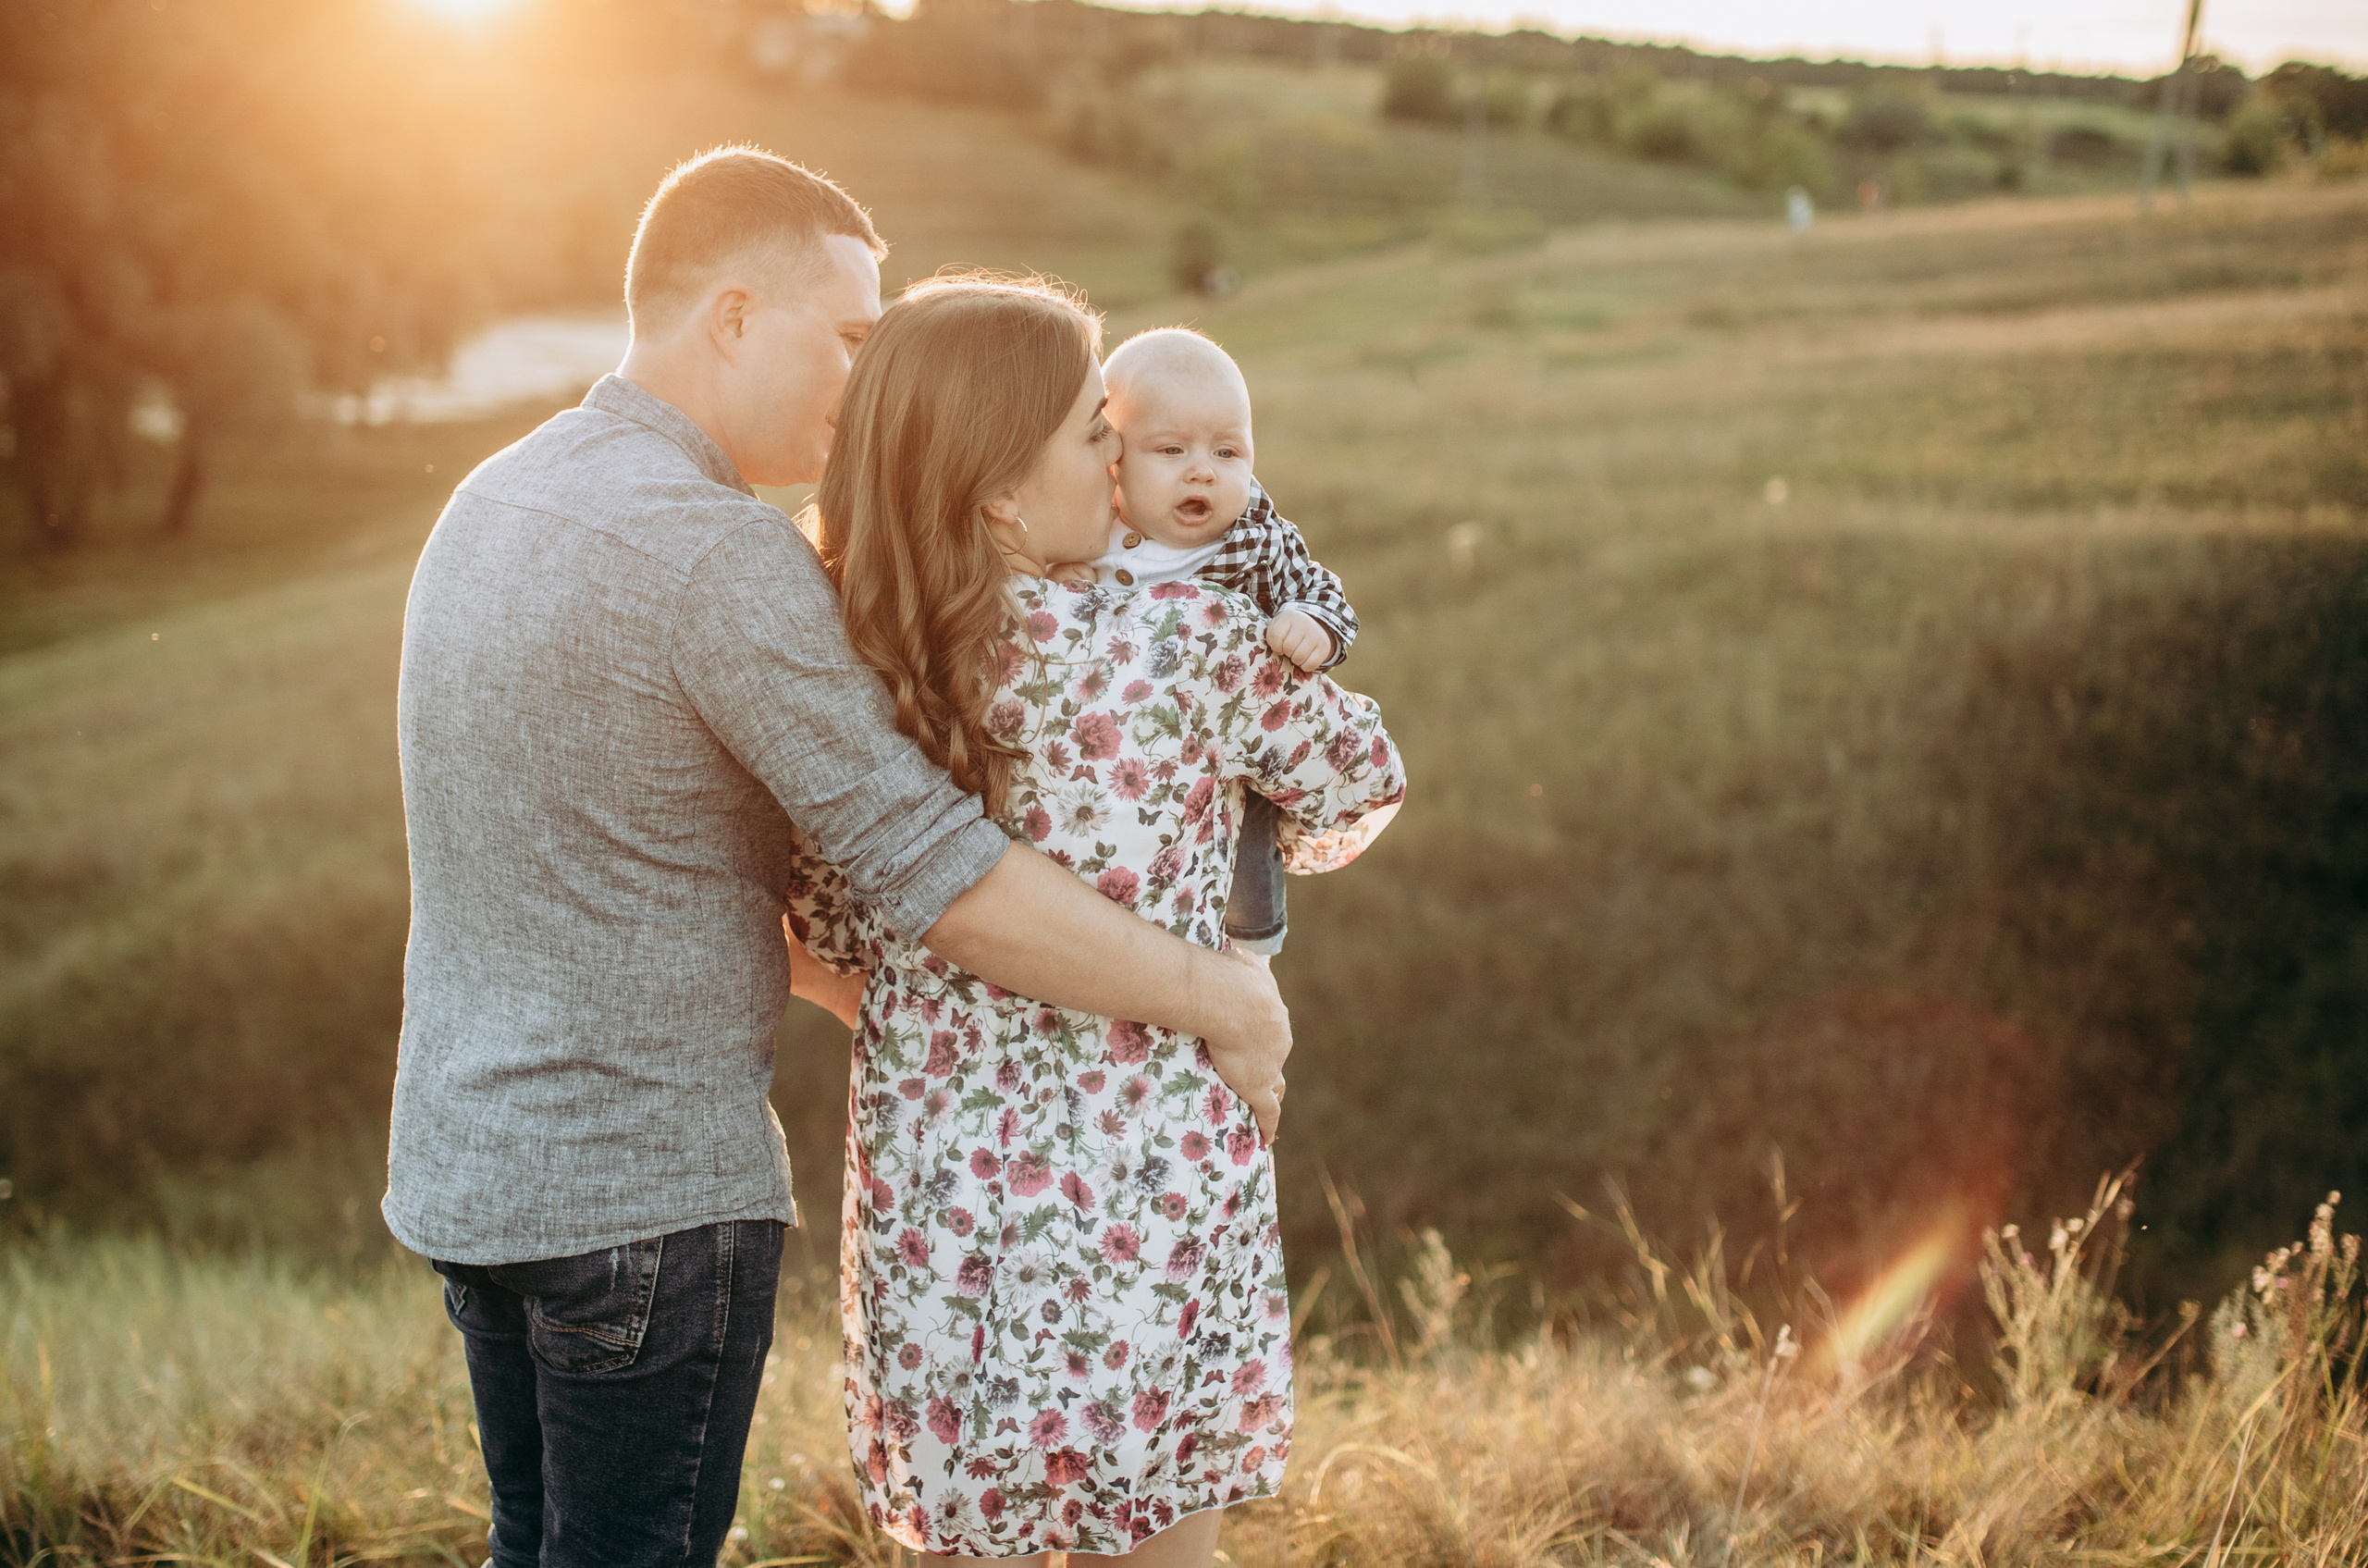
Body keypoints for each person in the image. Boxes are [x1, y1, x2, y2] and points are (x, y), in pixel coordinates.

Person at [388, 148, 1293, 1568]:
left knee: (537, 1546)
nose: (866, 381)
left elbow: (626, 855)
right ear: (736, 316)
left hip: (473, 1175)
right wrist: (1222, 997)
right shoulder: (713, 554)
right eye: (853, 336)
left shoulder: (494, 497)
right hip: (645, 1200)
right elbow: (943, 870)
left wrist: (898, 1007)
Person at [783, 276, 1406, 1563]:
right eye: (1088, 430)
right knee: (1162, 1543)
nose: (1117, 454)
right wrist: (1242, 808)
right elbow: (1360, 787)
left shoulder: (858, 666)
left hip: (942, 1178)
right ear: (1003, 490)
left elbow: (828, 927)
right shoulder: (1187, 641)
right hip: (1153, 1164)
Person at [1067, 327, 1359, 960]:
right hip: (1115, 751)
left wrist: (1312, 623)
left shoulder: (1252, 540)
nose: (1203, 469)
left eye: (1228, 453)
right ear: (1112, 455)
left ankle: (1248, 954)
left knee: (1242, 847)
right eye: (1170, 449)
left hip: (1219, 764)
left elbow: (1325, 593)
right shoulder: (1090, 526)